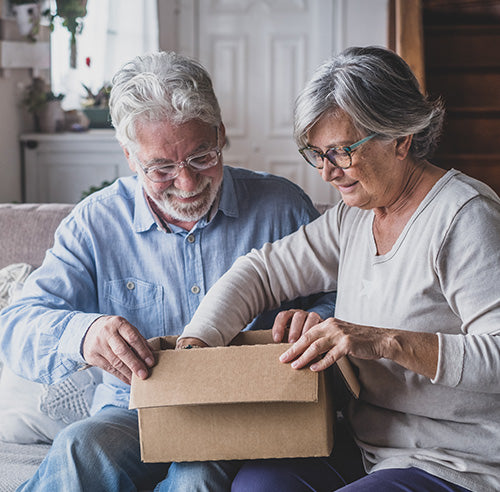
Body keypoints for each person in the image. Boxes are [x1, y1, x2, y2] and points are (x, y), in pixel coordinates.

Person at [0, 51, 335, 491]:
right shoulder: (96, 222)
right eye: (161, 168)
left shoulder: (282, 208)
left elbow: (346, 297)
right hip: (132, 412)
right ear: (129, 155)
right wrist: (84, 334)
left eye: (201, 157)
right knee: (80, 447)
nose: (187, 183)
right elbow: (16, 324)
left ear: (221, 134)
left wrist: (319, 317)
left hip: (246, 412)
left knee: (196, 477)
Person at [178, 46, 500, 492]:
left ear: (401, 139)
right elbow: (262, 272)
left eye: (341, 152)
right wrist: (198, 342)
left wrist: (385, 340)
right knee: (256, 486)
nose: (327, 173)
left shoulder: (464, 217)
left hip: (455, 461)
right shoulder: (355, 216)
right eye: (317, 154)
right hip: (368, 446)